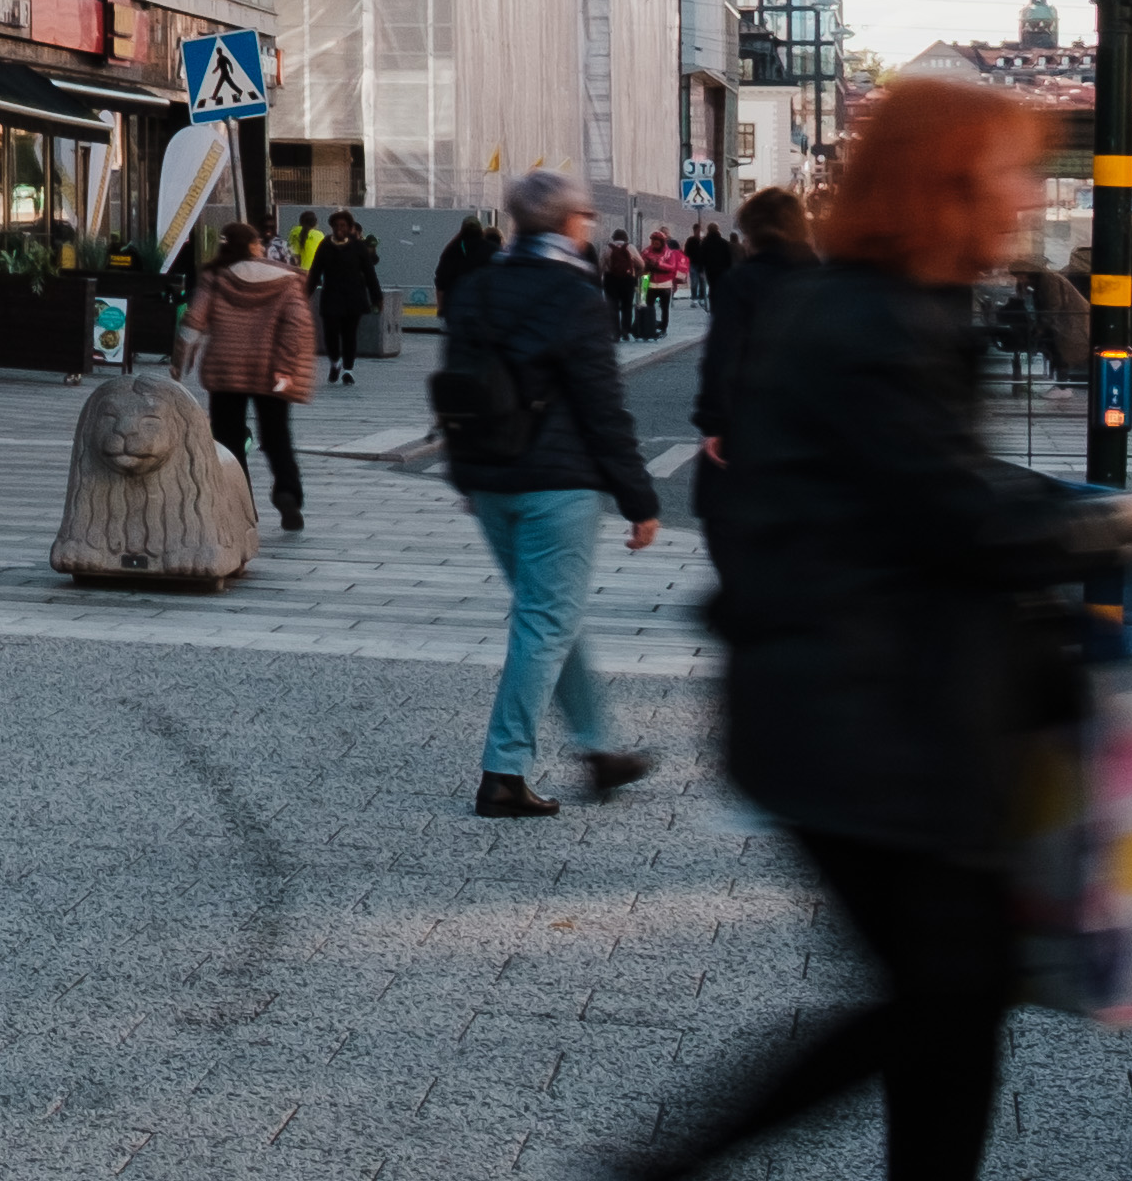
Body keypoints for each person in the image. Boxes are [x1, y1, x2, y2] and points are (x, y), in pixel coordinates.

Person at [621, 77, 1132, 1181]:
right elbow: (954, 516)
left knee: (949, 995)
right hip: (866, 719)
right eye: (1010, 169)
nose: (1026, 192)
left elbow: (934, 482)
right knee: (946, 992)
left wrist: (1100, 511)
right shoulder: (875, 320)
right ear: (949, 181)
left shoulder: (879, 306)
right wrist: (1122, 516)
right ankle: (661, 1163)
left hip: (861, 706)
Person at [436, 165, 662, 818]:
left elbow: (457, 387)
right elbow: (603, 407)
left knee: (549, 616)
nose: (588, 224)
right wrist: (640, 500)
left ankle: (598, 751)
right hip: (557, 483)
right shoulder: (575, 295)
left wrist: (463, 473)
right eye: (584, 215)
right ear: (568, 222)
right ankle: (503, 773)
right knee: (545, 620)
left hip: (492, 479)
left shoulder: (478, 288)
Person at [689, 184, 813, 569]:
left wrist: (715, 424)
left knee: (734, 537)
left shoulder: (741, 283)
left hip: (750, 430)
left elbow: (722, 357)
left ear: (751, 233)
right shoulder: (827, 281)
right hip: (812, 435)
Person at [184, 221, 316, 534]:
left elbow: (193, 321)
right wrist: (285, 370)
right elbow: (297, 326)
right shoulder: (284, 280)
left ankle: (240, 507)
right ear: (253, 245)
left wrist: (180, 361)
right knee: (277, 436)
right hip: (271, 373)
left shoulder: (214, 277)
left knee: (228, 440)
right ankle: (287, 492)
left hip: (225, 369)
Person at [316, 212, 386, 386]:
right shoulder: (325, 245)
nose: (340, 229)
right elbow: (315, 270)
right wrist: (303, 295)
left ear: (349, 228)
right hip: (331, 296)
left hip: (353, 297)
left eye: (343, 226)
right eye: (336, 226)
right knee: (330, 333)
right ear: (332, 227)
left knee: (349, 335)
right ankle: (335, 362)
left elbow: (370, 273)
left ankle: (348, 370)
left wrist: (377, 297)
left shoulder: (358, 247)